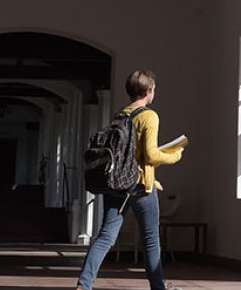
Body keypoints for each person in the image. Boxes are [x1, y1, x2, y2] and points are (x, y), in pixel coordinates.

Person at [75, 70, 185, 290]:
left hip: (116, 184)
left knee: (105, 236)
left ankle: (83, 286)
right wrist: (175, 155)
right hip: (139, 186)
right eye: (154, 89)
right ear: (149, 91)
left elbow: (127, 155)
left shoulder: (120, 115)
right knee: (151, 239)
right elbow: (151, 155)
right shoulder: (149, 116)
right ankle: (158, 287)